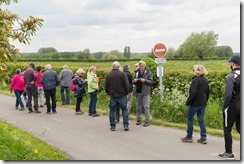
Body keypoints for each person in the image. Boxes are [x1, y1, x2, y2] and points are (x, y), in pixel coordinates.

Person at [218, 55, 240, 160]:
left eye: (230, 63)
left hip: (232, 106)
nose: (230, 64)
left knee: (227, 129)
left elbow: (228, 94)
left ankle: (228, 152)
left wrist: (225, 106)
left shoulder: (231, 76)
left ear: (234, 64)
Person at [181, 65, 210, 144]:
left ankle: (189, 136)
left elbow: (193, 93)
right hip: (203, 103)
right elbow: (207, 92)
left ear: (197, 71)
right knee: (201, 120)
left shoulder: (195, 80)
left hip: (195, 104)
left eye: (193, 70)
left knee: (189, 118)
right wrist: (205, 101)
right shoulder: (205, 80)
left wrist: (188, 102)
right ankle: (203, 138)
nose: (192, 71)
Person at [104, 61, 130, 131]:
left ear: (112, 66)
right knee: (124, 110)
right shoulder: (123, 74)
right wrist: (126, 92)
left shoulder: (108, 75)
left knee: (112, 111)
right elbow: (127, 85)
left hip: (113, 96)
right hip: (122, 95)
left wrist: (109, 93)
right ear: (118, 66)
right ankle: (126, 125)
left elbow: (106, 86)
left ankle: (113, 126)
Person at [133, 61, 154, 127]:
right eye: (139, 66)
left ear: (144, 66)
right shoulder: (136, 72)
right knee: (138, 107)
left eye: (142, 66)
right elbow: (132, 80)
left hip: (146, 92)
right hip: (138, 92)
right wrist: (134, 81)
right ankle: (138, 120)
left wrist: (145, 80)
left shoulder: (148, 73)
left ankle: (147, 121)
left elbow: (151, 82)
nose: (140, 68)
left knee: (146, 106)